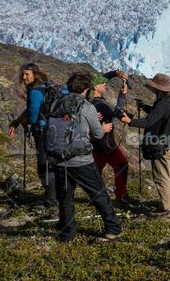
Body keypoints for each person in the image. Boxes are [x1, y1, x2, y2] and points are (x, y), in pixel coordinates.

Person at [49, 71, 122, 242]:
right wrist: (102, 128)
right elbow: (97, 134)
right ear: (85, 89)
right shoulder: (87, 107)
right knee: (98, 194)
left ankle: (67, 233)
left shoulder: (57, 103)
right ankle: (112, 228)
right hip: (81, 160)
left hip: (60, 159)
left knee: (65, 197)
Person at [120, 73, 170, 217]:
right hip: (168, 141)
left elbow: (148, 122)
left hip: (160, 143)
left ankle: (166, 207)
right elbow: (158, 115)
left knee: (161, 175)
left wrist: (130, 121)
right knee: (168, 172)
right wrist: (146, 107)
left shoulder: (163, 103)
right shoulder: (168, 101)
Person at [7, 63, 60, 206]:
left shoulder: (35, 92)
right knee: (51, 164)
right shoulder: (44, 87)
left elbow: (32, 117)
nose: (23, 77)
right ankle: (55, 195)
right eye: (22, 74)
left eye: (27, 74)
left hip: (43, 133)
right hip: (54, 130)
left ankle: (51, 199)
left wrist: (23, 122)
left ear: (34, 75)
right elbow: (32, 110)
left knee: (44, 165)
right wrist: (17, 121)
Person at [89, 70, 132, 206]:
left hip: (96, 143)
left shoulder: (91, 102)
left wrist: (115, 73)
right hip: (106, 144)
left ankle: (95, 195)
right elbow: (118, 112)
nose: (105, 85)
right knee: (121, 164)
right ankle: (121, 195)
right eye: (102, 84)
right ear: (95, 87)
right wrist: (122, 96)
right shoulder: (101, 104)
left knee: (96, 169)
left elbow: (103, 78)